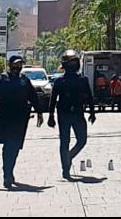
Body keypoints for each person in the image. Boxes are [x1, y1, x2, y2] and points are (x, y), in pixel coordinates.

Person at [0, 55, 44, 189]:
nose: (18, 67)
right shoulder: (1, 80)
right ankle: (7, 174)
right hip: (6, 117)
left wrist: (39, 112)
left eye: (20, 65)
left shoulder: (24, 80)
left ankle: (10, 171)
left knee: (16, 146)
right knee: (8, 145)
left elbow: (33, 96)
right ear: (10, 65)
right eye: (15, 65)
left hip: (21, 118)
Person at [47, 50, 96, 181]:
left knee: (82, 140)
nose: (74, 64)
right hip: (63, 114)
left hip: (78, 113)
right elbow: (53, 99)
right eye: (71, 62)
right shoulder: (59, 81)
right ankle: (65, 169)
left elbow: (89, 97)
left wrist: (92, 112)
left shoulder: (82, 80)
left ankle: (68, 157)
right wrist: (50, 115)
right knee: (64, 141)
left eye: (75, 61)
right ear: (65, 64)